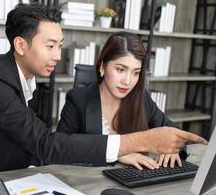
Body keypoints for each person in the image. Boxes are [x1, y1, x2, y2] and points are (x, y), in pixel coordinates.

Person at [0, 3, 207, 181]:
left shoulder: (23, 78)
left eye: (60, 46)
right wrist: (132, 143)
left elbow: (29, 143)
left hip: (3, 174)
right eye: (50, 46)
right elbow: (45, 144)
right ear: (21, 45)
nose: (58, 55)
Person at [57, 32, 197, 170]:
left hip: (134, 180)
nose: (128, 81)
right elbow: (60, 149)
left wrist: (173, 149)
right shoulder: (78, 99)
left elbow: (174, 132)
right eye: (120, 69)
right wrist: (116, 154)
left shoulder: (141, 99)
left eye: (136, 72)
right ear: (102, 67)